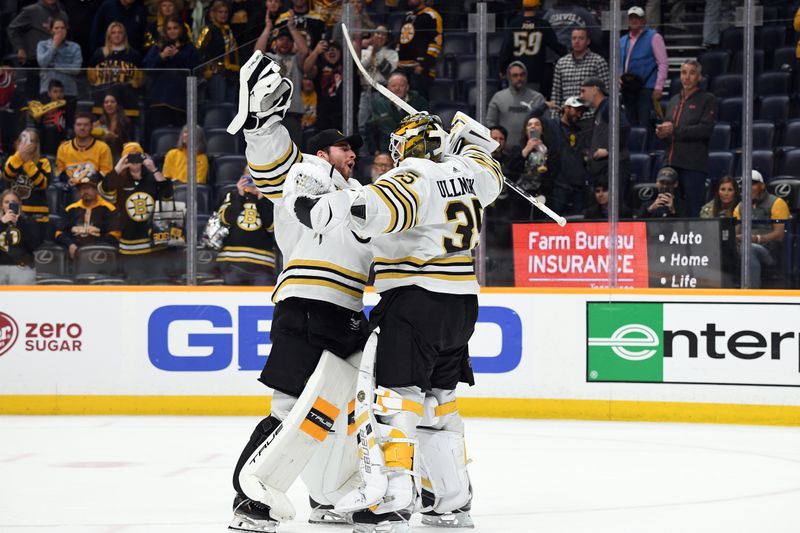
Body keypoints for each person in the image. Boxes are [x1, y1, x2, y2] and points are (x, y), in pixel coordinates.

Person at [282, 111, 503, 531]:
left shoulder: (413, 178)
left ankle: (394, 497)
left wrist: (306, 201)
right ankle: (452, 502)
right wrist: (468, 139)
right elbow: (485, 155)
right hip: (461, 305)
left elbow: (359, 212)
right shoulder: (473, 174)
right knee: (439, 402)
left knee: (396, 399)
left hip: (416, 299)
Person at [225, 52, 373, 532]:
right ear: (322, 151)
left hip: (348, 309)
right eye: (342, 148)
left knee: (333, 411)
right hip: (307, 304)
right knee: (289, 407)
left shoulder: (361, 195)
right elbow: (271, 165)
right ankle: (250, 500)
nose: (351, 154)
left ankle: (328, 496)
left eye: (354, 150)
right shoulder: (304, 175)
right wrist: (262, 124)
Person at [99, 142, 174, 280]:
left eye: (137, 156)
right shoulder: (119, 181)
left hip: (155, 247)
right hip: (130, 248)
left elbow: (167, 195)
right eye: (129, 157)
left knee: (158, 284)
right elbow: (105, 191)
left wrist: (154, 169)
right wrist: (118, 167)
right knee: (135, 285)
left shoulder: (153, 178)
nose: (134, 162)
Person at [655, 59, 717, 218]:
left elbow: (705, 130)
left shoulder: (707, 99)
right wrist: (662, 134)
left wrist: (674, 130)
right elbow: (671, 131)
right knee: (669, 208)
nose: (687, 77)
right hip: (671, 164)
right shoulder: (673, 100)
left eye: (692, 73)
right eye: (683, 73)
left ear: (699, 77)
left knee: (692, 209)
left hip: (693, 165)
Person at [215, 170, 276, 285]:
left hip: (262, 264)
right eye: (249, 173)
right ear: (242, 176)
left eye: (256, 174)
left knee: (262, 298)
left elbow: (271, 227)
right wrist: (239, 195)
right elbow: (224, 220)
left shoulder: (269, 199)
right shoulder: (232, 195)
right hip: (231, 261)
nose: (253, 178)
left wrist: (262, 199)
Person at [256, 16, 309, 147]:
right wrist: (268, 27)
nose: (285, 43)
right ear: (275, 43)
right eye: (281, 39)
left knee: (294, 154)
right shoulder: (270, 58)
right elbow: (257, 53)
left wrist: (292, 28)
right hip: (270, 115)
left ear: (293, 44)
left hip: (292, 115)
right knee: (272, 155)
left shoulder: (296, 59)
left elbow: (304, 51)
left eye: (288, 40)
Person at [733, 170, 790, 289]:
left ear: (762, 185)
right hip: (744, 245)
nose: (748, 188)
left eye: (752, 184)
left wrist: (756, 239)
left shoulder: (777, 203)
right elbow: (735, 231)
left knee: (748, 248)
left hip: (770, 250)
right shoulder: (740, 206)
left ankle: (752, 292)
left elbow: (780, 234)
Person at [143, 14, 201, 131]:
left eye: (175, 28)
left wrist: (177, 56)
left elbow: (195, 70)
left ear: (181, 29)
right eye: (169, 28)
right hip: (158, 101)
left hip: (181, 103)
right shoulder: (157, 47)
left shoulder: (189, 48)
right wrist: (161, 56)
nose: (172, 31)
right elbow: (146, 68)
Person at [499, 0, 566, 95]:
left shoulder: (514, 24)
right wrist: (568, 54)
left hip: (516, 72)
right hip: (535, 72)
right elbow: (555, 45)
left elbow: (506, 49)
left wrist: (502, 68)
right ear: (537, 7)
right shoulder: (542, 24)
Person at [6, 0, 69, 98]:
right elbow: (12, 29)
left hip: (58, 64)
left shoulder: (63, 15)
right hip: (36, 64)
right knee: (35, 102)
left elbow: (66, 39)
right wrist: (20, 48)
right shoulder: (31, 11)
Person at [619, 6, 668, 127]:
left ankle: (645, 145)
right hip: (628, 87)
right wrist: (619, 78)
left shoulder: (654, 37)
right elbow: (619, 63)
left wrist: (659, 87)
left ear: (643, 20)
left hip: (646, 87)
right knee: (630, 123)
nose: (634, 20)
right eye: (631, 18)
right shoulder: (622, 40)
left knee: (644, 123)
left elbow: (663, 63)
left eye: (637, 18)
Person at [580, 77, 630, 195]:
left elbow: (624, 127)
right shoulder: (601, 108)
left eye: (583, 91)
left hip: (613, 168)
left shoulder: (608, 106)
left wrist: (609, 150)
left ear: (594, 89)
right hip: (604, 169)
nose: (581, 96)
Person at [55, 172, 121, 258]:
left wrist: (96, 247)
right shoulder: (70, 209)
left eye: (88, 188)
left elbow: (115, 234)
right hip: (74, 253)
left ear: (97, 190)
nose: (85, 191)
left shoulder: (109, 209)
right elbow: (59, 232)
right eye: (82, 188)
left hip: (100, 254)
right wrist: (70, 244)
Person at [87, 22, 145, 118]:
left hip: (128, 103)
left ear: (124, 35)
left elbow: (139, 81)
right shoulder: (99, 54)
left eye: (120, 32)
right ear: (109, 35)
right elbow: (91, 79)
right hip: (102, 101)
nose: (117, 35)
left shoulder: (134, 55)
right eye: (113, 33)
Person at [550, 27, 610, 120]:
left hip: (590, 117)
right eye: (574, 38)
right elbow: (556, 94)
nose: (577, 41)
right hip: (566, 118)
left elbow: (607, 92)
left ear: (588, 41)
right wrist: (554, 119)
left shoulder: (598, 62)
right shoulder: (561, 63)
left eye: (581, 38)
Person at [485, 61, 546, 149]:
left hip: (531, 149)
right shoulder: (498, 98)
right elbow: (490, 123)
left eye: (522, 75)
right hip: (505, 151)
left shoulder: (537, 98)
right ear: (509, 77)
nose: (519, 78)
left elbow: (546, 125)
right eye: (515, 75)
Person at [3, 128, 52, 233]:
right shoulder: (12, 159)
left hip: (37, 212)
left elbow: (43, 184)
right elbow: (7, 175)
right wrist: (19, 156)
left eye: (31, 140)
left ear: (36, 144)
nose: (27, 143)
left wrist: (27, 163)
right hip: (14, 210)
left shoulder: (43, 162)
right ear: (18, 143)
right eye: (23, 140)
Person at [366, 71, 428, 154]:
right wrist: (375, 151)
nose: (397, 88)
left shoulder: (420, 102)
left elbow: (427, 128)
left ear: (407, 87)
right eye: (393, 85)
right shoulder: (379, 105)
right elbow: (370, 130)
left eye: (401, 85)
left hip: (414, 151)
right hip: (386, 151)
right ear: (387, 88)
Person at [547, 96, 589, 216]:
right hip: (559, 186)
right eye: (577, 110)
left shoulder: (581, 132)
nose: (579, 114)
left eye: (581, 111)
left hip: (578, 187)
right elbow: (531, 118)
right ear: (566, 108)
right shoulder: (553, 126)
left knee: (578, 224)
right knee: (555, 224)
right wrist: (544, 106)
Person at [357, 26, 398, 146]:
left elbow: (387, 71)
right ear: (372, 35)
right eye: (377, 33)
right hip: (365, 92)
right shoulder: (364, 51)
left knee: (382, 125)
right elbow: (360, 70)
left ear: (387, 38)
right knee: (362, 126)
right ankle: (364, 156)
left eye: (383, 35)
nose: (379, 36)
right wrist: (372, 52)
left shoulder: (391, 53)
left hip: (382, 91)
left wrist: (377, 53)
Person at [396, 0, 443, 99]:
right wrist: (397, 58)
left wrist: (423, 64)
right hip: (403, 68)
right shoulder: (407, 16)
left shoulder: (431, 15)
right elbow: (402, 39)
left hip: (419, 69)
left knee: (419, 104)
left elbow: (436, 43)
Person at [196, 0, 240, 102]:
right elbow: (198, 50)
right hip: (216, 73)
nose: (223, 15)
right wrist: (206, 69)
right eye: (220, 12)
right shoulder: (208, 30)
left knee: (231, 105)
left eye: (225, 12)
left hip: (231, 73)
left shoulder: (228, 30)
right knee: (219, 103)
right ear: (213, 13)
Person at [56, 111, 114, 184]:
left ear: (91, 127)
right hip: (70, 189)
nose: (82, 128)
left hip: (93, 188)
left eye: (86, 125)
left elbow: (106, 173)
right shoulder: (63, 148)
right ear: (74, 127)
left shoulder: (103, 148)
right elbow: (59, 173)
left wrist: (84, 181)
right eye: (78, 124)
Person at [0, 189, 42, 285]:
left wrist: (19, 223)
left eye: (14, 202)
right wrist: (2, 223)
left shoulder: (30, 222)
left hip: (22, 269)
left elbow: (34, 245)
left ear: (20, 204)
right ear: (1, 206)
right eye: (6, 202)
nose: (10, 205)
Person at [35, 18, 82, 103]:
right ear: (51, 31)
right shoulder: (42, 45)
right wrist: (55, 46)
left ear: (66, 30)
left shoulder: (75, 47)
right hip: (47, 91)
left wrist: (54, 66)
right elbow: (42, 63)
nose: (60, 30)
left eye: (62, 28)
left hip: (69, 91)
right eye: (56, 28)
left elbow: (76, 69)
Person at [303, 38, 345, 131]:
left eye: (335, 48)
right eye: (327, 49)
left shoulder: (348, 67)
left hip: (345, 116)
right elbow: (306, 69)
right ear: (323, 54)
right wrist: (315, 52)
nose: (331, 50)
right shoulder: (319, 68)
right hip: (324, 117)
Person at [27, 79, 68, 155]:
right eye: (55, 91)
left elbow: (69, 126)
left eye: (61, 91)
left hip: (62, 140)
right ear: (49, 93)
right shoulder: (42, 108)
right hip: (44, 138)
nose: (59, 94)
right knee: (51, 129)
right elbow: (38, 125)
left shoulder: (67, 108)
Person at [92, 91, 133, 161]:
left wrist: (114, 137)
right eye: (106, 102)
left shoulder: (126, 122)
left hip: (120, 154)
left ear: (118, 105)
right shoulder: (100, 122)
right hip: (102, 154)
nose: (109, 104)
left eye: (112, 102)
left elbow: (129, 142)